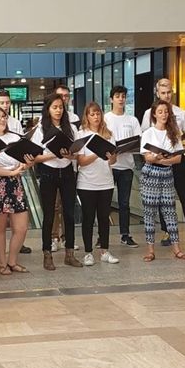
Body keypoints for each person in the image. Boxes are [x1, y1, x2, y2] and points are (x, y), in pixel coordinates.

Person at [140, 78, 185, 246]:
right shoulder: (149, 113)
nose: (166, 95)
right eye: (163, 93)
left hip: (177, 158)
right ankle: (166, 232)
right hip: (157, 161)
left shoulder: (181, 112)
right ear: (157, 93)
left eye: (169, 92)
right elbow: (145, 136)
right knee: (163, 198)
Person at [31, 92, 82, 270]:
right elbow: (35, 157)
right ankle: (47, 254)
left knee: (69, 213)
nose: (58, 110)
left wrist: (71, 155)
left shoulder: (71, 128)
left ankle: (69, 253)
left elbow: (77, 153)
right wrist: (53, 155)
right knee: (49, 215)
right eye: (54, 107)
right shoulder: (41, 129)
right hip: (48, 173)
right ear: (48, 109)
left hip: (67, 171)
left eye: (61, 107)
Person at [0, 106, 33, 275]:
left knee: (21, 227)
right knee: (0, 228)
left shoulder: (15, 138)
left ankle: (12, 260)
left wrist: (26, 164)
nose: (2, 120)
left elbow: (27, 159)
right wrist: (11, 172)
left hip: (15, 183)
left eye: (4, 117)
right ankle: (2, 264)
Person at [140, 100, 185, 262]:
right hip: (151, 175)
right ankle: (150, 250)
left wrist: (163, 161)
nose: (163, 114)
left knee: (170, 211)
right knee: (149, 212)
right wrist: (156, 158)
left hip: (167, 173)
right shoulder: (148, 133)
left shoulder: (174, 132)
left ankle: (177, 248)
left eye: (166, 112)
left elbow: (178, 158)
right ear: (154, 114)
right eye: (160, 112)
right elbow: (147, 157)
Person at [76, 102, 119, 266]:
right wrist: (97, 153)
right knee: (88, 217)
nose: (96, 117)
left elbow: (113, 161)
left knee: (103, 217)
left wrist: (111, 157)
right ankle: (88, 252)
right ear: (87, 116)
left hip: (106, 182)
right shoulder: (81, 135)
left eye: (98, 114)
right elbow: (81, 161)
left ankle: (105, 250)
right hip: (86, 183)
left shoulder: (108, 134)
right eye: (92, 114)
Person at [0, 89, 32, 255]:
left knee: (20, 223)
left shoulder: (15, 123)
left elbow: (22, 149)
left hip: (15, 176)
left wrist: (23, 165)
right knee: (0, 223)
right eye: (2, 103)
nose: (5, 106)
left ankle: (14, 252)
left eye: (7, 102)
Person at [104, 86, 141, 248]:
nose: (121, 99)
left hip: (126, 166)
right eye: (117, 96)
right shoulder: (105, 119)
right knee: (104, 203)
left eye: (123, 96)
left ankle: (125, 234)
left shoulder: (132, 120)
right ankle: (102, 236)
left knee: (124, 203)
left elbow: (139, 142)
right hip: (109, 166)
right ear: (111, 99)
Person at [50, 85, 80, 252]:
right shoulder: (45, 122)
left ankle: (67, 238)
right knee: (54, 206)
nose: (64, 99)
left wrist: (73, 155)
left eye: (66, 96)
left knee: (68, 206)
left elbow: (77, 145)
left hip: (70, 166)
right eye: (60, 96)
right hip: (53, 168)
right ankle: (54, 237)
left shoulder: (73, 119)